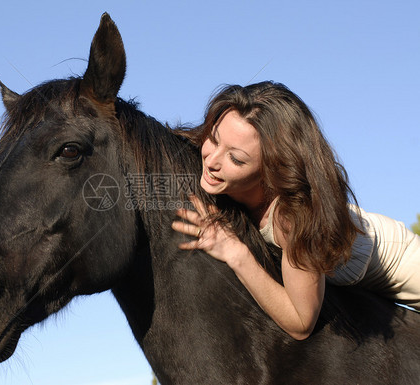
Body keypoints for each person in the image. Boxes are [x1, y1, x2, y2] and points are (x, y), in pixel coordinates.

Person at [171, 81, 420, 340]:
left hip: (395, 259)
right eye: (213, 139)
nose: (211, 161)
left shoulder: (290, 217)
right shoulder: (209, 162)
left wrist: (235, 252)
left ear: (272, 168)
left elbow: (301, 323)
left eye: (236, 159)